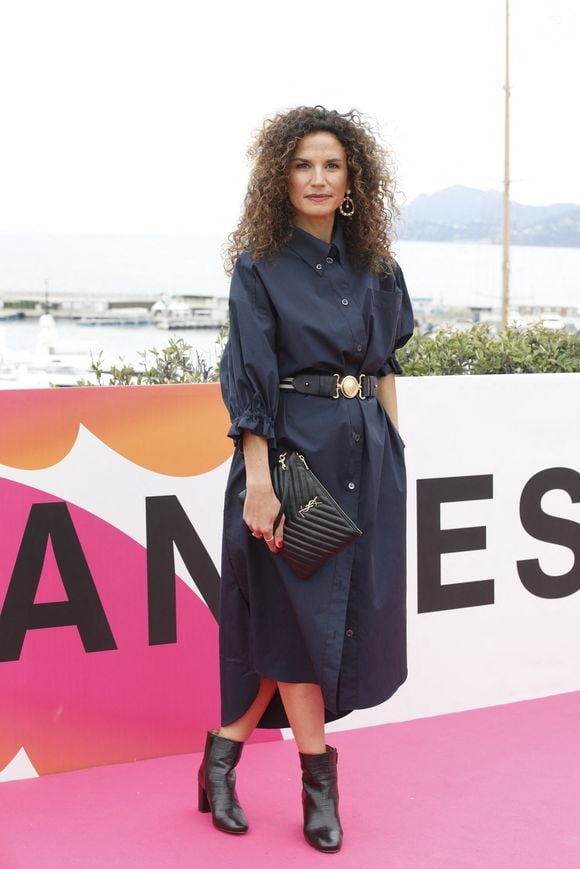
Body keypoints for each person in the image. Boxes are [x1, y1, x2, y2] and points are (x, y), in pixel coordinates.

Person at [197, 105, 414, 853]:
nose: (318, 178)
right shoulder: (259, 264)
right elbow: (249, 378)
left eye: (332, 165)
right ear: (279, 177)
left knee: (319, 621)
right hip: (290, 461)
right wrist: (257, 480)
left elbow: (385, 365)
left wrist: (396, 451)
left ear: (352, 178)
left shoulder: (376, 263)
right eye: (303, 165)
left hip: (366, 459)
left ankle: (220, 755)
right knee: (299, 619)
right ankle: (319, 783)